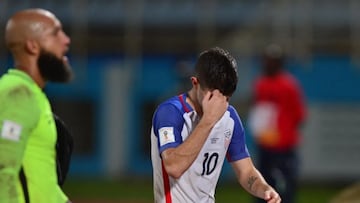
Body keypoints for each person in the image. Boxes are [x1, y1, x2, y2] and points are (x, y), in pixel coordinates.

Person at [150, 47, 281, 203]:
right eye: (213, 96)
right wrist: (208, 121)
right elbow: (173, 167)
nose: (220, 104)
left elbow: (246, 172)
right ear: (195, 83)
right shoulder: (170, 113)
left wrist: (264, 188)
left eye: (226, 98)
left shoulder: (229, 117)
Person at [0, 8, 73, 203]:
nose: (66, 40)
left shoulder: (32, 93)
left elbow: (41, 179)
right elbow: (3, 167)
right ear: (32, 46)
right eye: (56, 33)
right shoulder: (18, 94)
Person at [248, 44, 306, 203]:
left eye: (272, 61)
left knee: (285, 187)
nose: (268, 64)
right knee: (261, 186)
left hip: (283, 146)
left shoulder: (289, 85)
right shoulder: (260, 84)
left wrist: (284, 131)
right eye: (266, 60)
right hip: (265, 145)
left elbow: (299, 115)